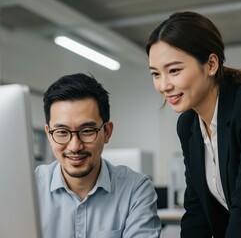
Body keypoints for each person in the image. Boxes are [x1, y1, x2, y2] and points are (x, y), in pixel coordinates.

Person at [146, 11, 241, 238]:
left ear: (211, 64)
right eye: (156, 74)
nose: (164, 85)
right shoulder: (187, 125)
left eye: (174, 70)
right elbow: (197, 211)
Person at [35, 73, 161, 238]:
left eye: (87, 131)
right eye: (62, 132)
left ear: (107, 132)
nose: (74, 146)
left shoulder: (135, 189)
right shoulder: (30, 189)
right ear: (49, 135)